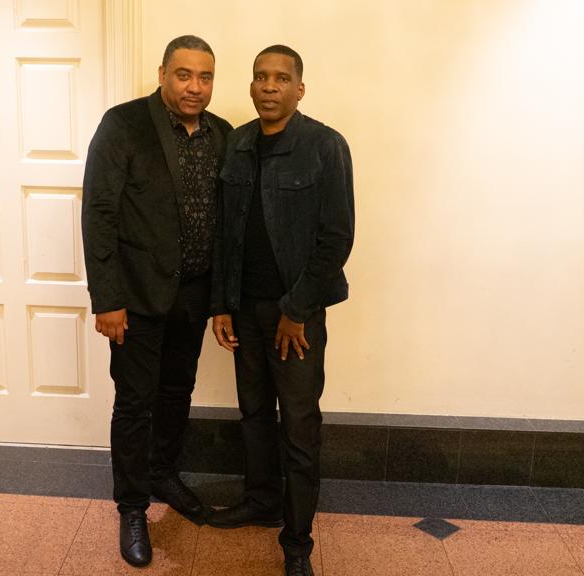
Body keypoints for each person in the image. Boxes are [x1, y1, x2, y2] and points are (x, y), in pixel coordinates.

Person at [82, 35, 233, 568]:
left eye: (205, 77)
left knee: (176, 392)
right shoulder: (123, 124)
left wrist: (221, 299)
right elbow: (99, 213)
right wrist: (107, 299)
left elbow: (227, 223)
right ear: (163, 73)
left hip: (193, 294)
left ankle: (164, 474)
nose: (195, 87)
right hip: (136, 298)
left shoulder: (221, 134)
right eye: (184, 74)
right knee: (134, 403)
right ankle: (131, 507)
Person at [208, 45, 355, 576]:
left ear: (299, 88)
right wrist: (222, 304)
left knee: (298, 425)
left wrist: (297, 309)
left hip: (296, 315)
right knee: (253, 414)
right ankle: (261, 501)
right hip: (245, 310)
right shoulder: (239, 143)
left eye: (281, 78)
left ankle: (297, 543)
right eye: (260, 77)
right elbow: (226, 233)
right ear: (251, 85)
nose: (269, 86)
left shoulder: (324, 146)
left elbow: (336, 238)